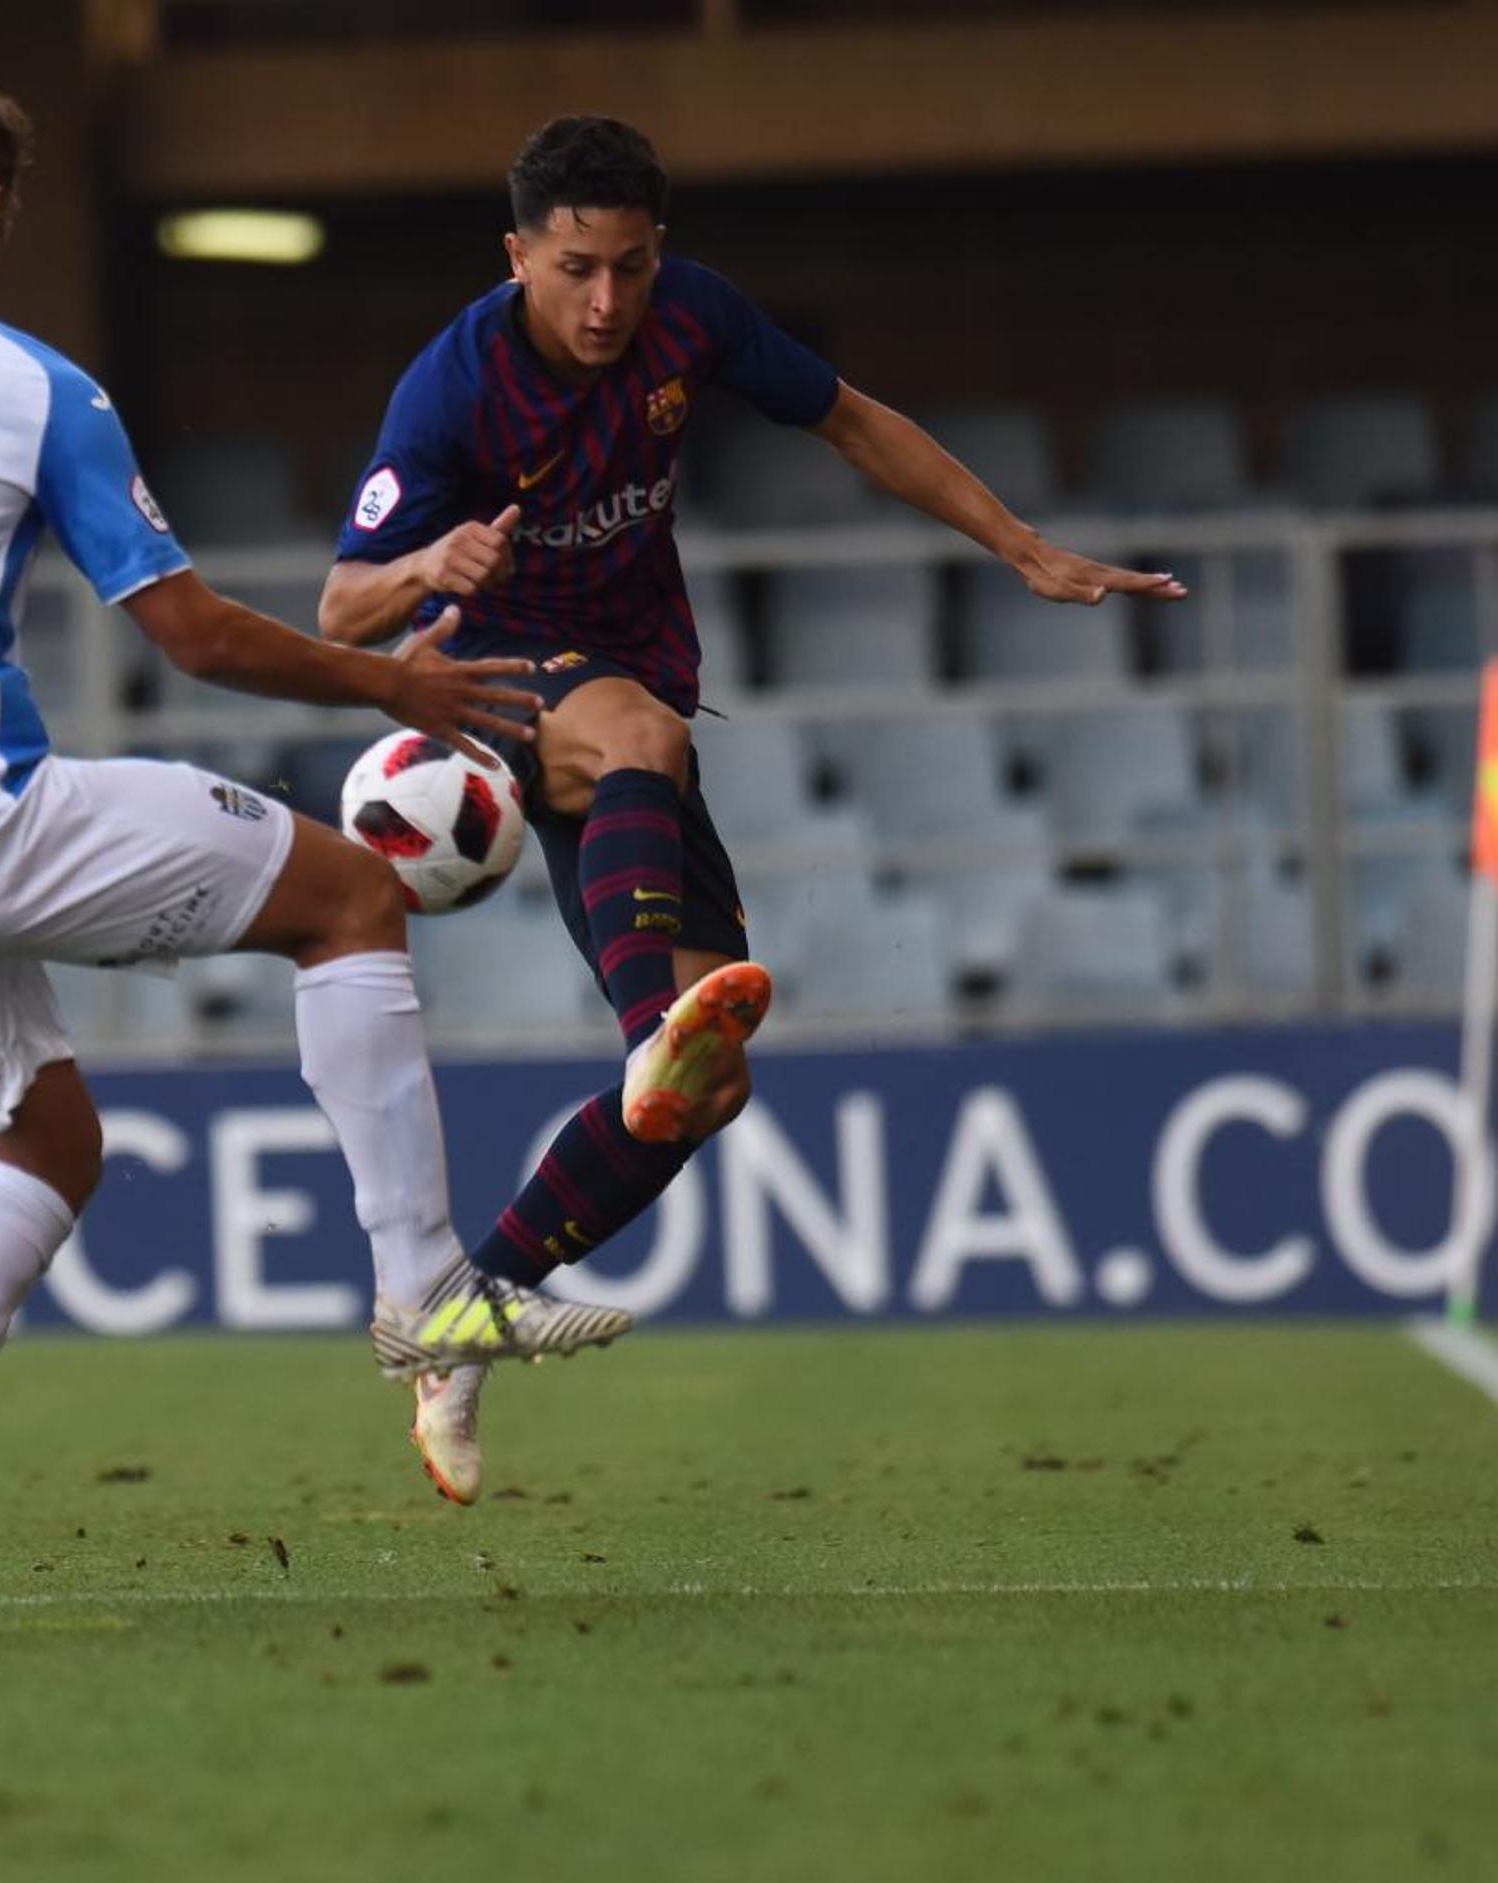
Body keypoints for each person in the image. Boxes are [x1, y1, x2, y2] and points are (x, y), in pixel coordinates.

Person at [0, 67, 629, 1633]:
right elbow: (186, 634)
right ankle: (426, 1294)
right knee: (351, 893)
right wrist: (395, 678)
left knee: (50, 1150)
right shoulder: (35, 383)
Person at [317, 115, 1185, 1504]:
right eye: (578, 268)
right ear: (519, 256)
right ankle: (649, 1040)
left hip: (636, 683)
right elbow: (341, 605)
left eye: (634, 267)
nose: (609, 302)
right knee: (642, 756)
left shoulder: (690, 317)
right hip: (498, 692)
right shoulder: (454, 390)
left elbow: (853, 422)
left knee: (702, 1091)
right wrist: (430, 550)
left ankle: (465, 1315)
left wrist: (1020, 547)